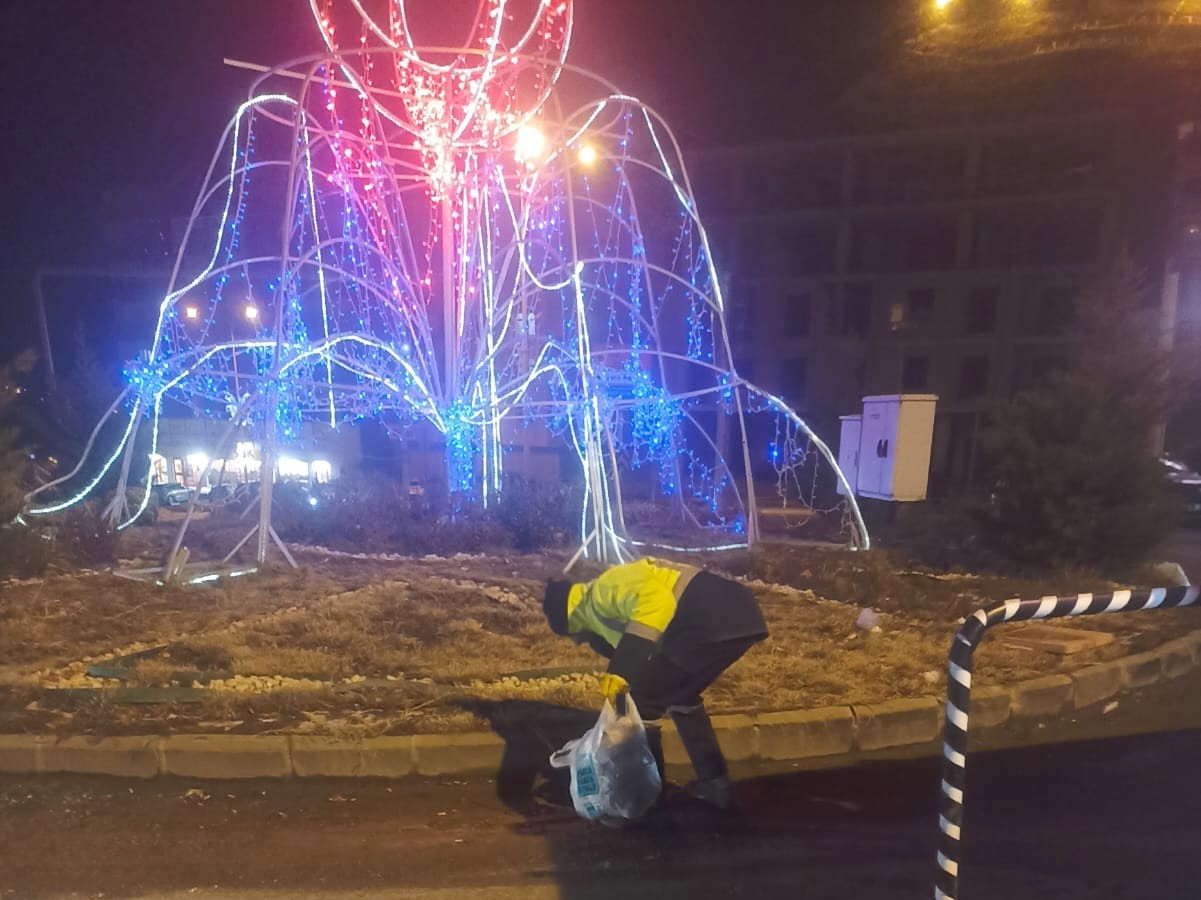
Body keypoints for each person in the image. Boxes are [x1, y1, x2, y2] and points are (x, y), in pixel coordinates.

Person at [542, 557, 768, 809]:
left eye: (573, 636)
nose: (577, 642)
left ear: (569, 620)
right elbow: (649, 649)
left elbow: (657, 601)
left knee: (641, 703)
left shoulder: (603, 590)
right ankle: (714, 783)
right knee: (680, 695)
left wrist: (622, 668)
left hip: (707, 617)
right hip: (734, 615)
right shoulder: (601, 615)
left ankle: (647, 800)